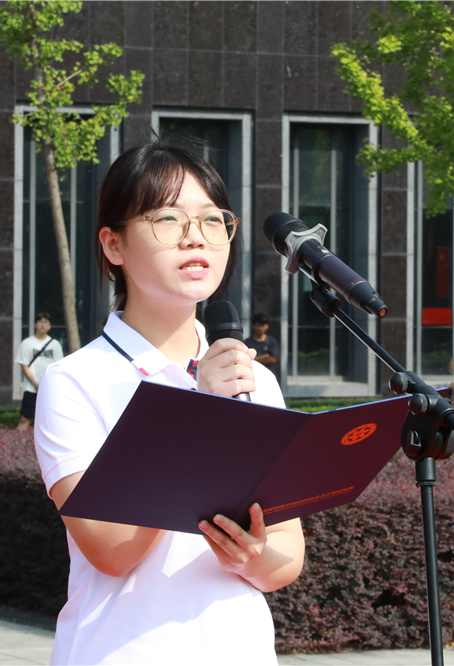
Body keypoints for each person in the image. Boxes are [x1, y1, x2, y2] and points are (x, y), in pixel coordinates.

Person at [33, 140, 305, 665]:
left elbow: (286, 558)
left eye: (212, 219)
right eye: (167, 218)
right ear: (113, 245)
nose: (195, 236)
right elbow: (112, 551)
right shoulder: (75, 381)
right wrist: (200, 413)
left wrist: (252, 557)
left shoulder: (252, 380)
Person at [14, 312, 64, 431]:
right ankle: (18, 440)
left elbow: (58, 366)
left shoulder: (55, 345)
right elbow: (24, 365)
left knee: (50, 421)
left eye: (46, 322)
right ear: (35, 324)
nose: (43, 325)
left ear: (49, 326)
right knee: (25, 419)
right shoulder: (27, 343)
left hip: (49, 388)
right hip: (31, 388)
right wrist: (36, 384)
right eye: (40, 321)